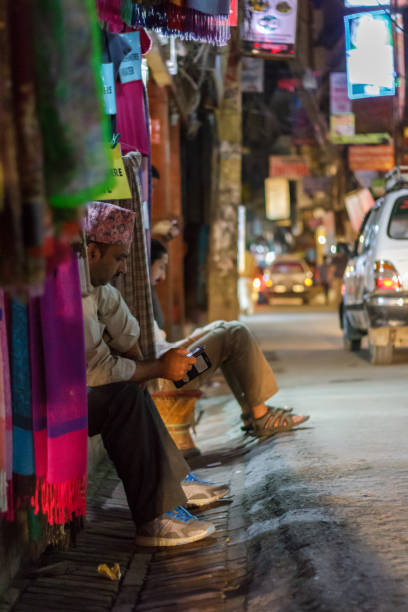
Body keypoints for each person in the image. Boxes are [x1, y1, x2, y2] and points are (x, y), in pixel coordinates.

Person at [83, 201, 229, 547]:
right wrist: (155, 368)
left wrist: (141, 363)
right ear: (91, 253)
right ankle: (154, 518)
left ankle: (176, 483)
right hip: (60, 402)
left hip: (92, 386)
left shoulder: (97, 288)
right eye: (118, 258)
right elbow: (96, 372)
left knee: (133, 389)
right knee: (125, 397)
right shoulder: (72, 292)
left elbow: (125, 328)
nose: (122, 269)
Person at [150, 239, 309, 436]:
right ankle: (261, 415)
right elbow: (155, 355)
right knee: (235, 334)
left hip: (167, 364)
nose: (163, 276)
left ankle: (253, 412)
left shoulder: (145, 296)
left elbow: (160, 347)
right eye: (160, 267)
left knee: (224, 327)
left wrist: (195, 337)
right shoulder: (135, 300)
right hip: (167, 377)